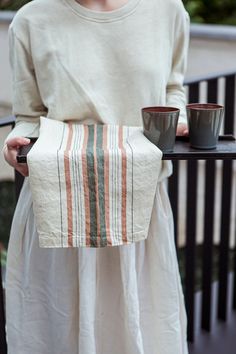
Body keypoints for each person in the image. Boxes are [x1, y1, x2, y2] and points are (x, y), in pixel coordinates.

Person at [3, 0, 190, 353]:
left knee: (142, 333)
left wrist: (176, 119)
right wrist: (15, 147)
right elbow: (29, 115)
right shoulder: (32, 19)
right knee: (58, 335)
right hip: (58, 207)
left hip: (138, 207)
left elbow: (172, 88)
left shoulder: (167, 10)